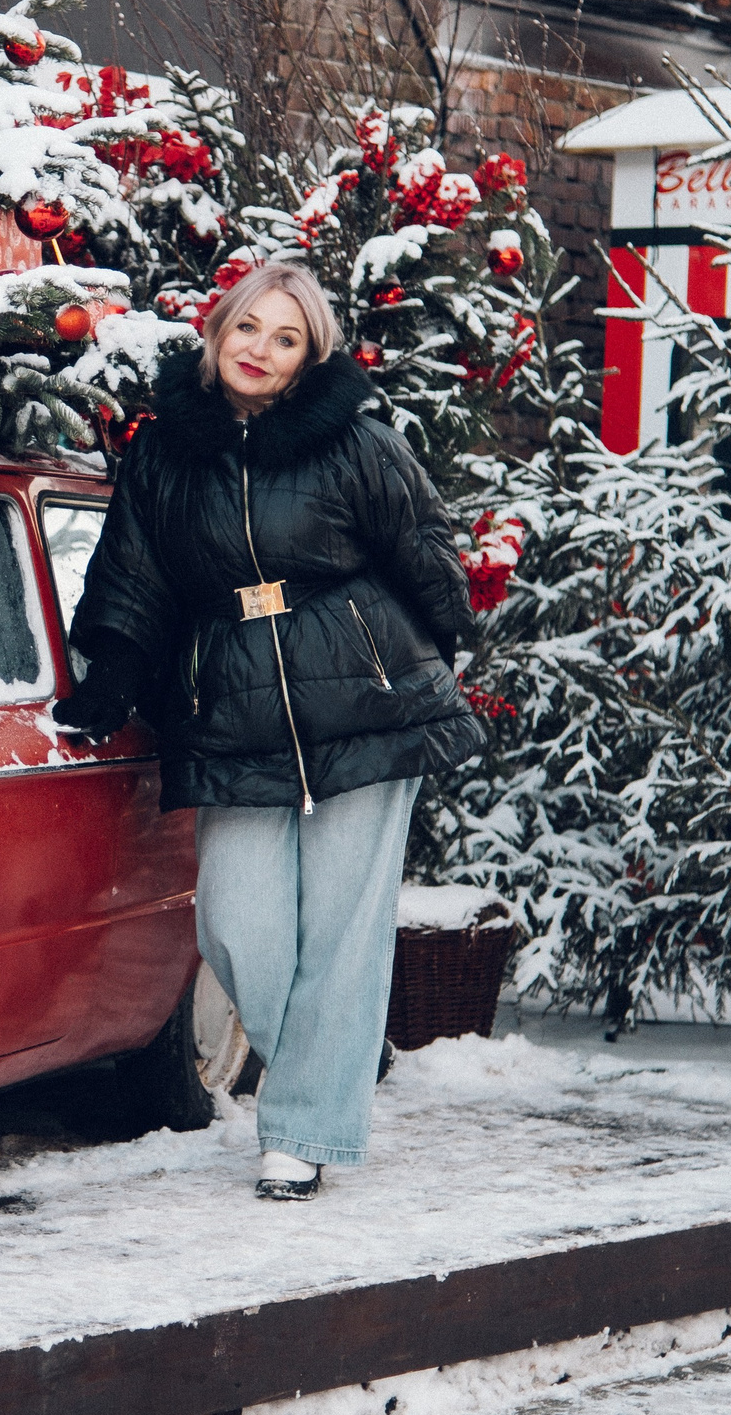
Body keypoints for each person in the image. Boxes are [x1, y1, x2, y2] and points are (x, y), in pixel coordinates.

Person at [54, 263, 483, 1200]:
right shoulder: (167, 450)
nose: (261, 350)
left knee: (343, 929)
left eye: (286, 339)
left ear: (309, 357)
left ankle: (302, 1133)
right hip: (231, 700)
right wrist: (115, 675)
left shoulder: (355, 442)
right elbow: (134, 575)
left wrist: (444, 644)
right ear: (218, 334)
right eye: (250, 328)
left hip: (363, 693)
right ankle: (324, 1073)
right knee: (237, 924)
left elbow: (424, 544)